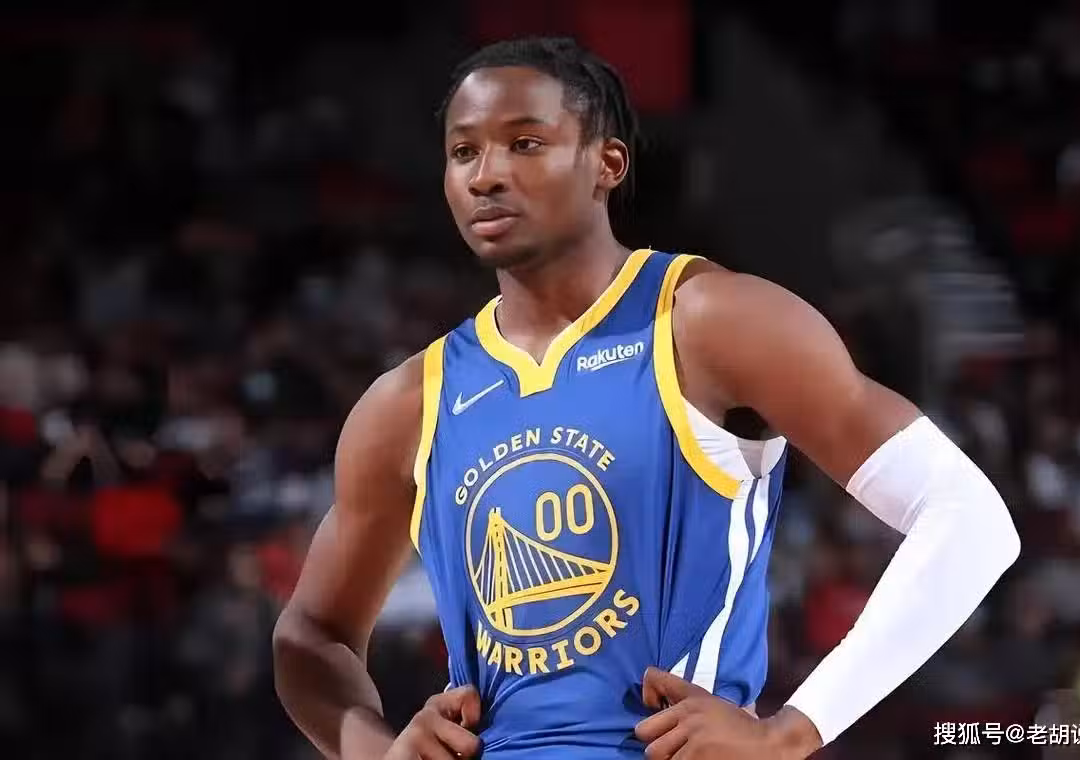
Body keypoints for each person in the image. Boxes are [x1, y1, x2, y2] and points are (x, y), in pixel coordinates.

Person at [272, 36, 1021, 759]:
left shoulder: (711, 322)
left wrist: (792, 732)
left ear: (607, 163)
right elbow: (311, 635)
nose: (486, 175)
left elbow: (970, 518)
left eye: (524, 143)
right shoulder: (409, 402)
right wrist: (373, 749)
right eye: (464, 151)